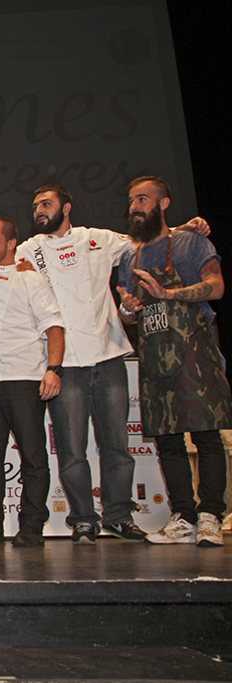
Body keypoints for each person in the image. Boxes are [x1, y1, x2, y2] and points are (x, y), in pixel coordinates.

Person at [15, 185, 208, 544]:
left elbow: (148, 241)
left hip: (108, 355)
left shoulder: (98, 239)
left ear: (66, 208)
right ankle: (83, 519)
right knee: (72, 451)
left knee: (116, 445)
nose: (39, 211)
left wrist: (185, 229)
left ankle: (118, 514)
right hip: (65, 362)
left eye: (46, 204)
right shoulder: (29, 249)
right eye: (35, 206)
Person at [117, 176, 230, 546]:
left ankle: (211, 513)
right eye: (133, 200)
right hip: (154, 355)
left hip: (193, 353)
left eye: (144, 199)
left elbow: (216, 287)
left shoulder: (190, 241)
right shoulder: (128, 255)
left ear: (163, 204)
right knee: (167, 439)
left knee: (206, 433)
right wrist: (129, 309)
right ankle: (184, 515)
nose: (136, 206)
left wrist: (168, 293)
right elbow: (130, 314)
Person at [0, 217, 65, 547]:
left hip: (24, 379)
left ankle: (32, 526)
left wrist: (54, 369)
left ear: (11, 244)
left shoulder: (30, 279)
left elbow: (54, 328)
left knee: (33, 456)